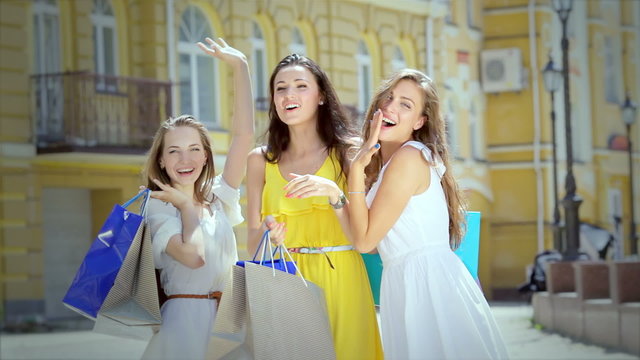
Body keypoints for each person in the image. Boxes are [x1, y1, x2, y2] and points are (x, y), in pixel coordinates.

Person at [348, 69, 509, 359]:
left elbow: (364, 240)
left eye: (405, 105)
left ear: (420, 122)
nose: (390, 107)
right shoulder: (388, 165)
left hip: (427, 285)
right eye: (389, 97)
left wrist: (355, 171)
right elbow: (372, 244)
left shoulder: (410, 157)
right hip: (405, 283)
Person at [246, 53, 383, 360]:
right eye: (280, 89)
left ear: (321, 96)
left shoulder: (348, 153)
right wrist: (270, 237)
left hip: (343, 278)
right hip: (285, 279)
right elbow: (252, 242)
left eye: (300, 86)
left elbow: (368, 239)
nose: (288, 95)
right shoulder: (259, 160)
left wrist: (334, 192)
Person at [140, 38, 253, 360]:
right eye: (173, 151)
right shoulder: (157, 206)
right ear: (161, 160)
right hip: (183, 325)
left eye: (194, 149)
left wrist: (240, 66)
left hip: (228, 322)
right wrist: (187, 207)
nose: (184, 159)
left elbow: (244, 135)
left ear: (205, 156)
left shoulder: (219, 197)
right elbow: (193, 257)